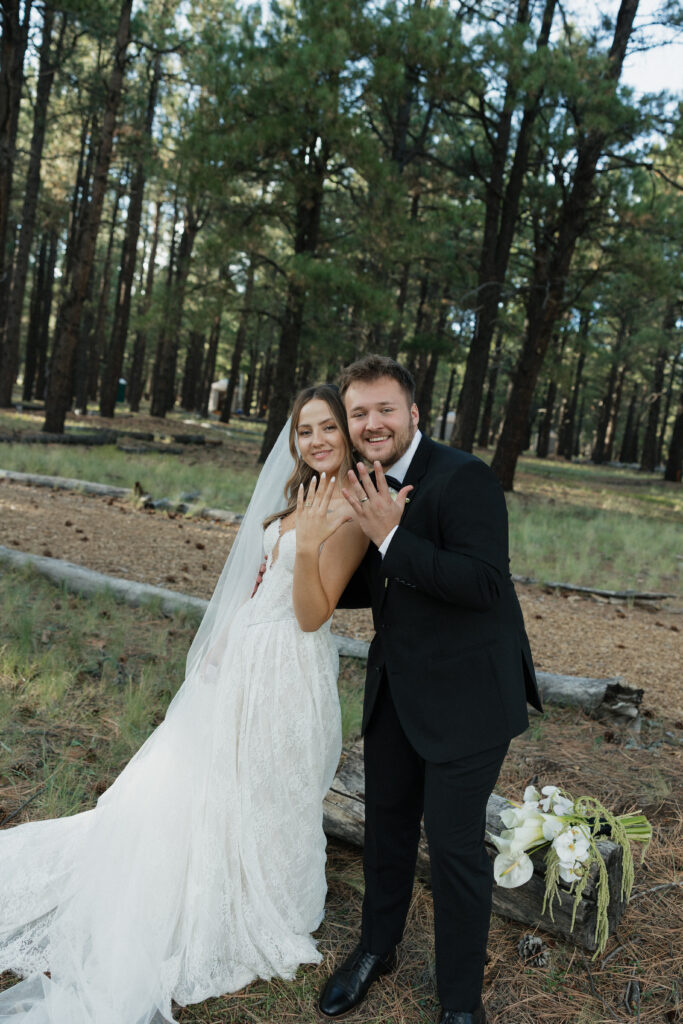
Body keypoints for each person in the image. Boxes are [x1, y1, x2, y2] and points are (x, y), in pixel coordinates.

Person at [0, 384, 367, 1024]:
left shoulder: (351, 510)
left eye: (327, 427)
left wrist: (309, 544)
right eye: (304, 430)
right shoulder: (300, 496)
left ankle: (259, 896)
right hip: (246, 660)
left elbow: (311, 616)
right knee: (203, 781)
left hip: (288, 668)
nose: (316, 441)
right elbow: (259, 589)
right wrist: (215, 663)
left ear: (347, 430)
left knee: (268, 787)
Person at [318, 355, 542, 1024]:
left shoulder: (463, 477)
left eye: (384, 409)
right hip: (395, 688)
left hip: (469, 697)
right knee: (386, 831)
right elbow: (377, 581)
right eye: (358, 413)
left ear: (413, 412)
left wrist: (387, 532)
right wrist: (299, 568)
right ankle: (374, 949)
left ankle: (458, 1003)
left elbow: (481, 584)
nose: (370, 423)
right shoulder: (365, 478)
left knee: (450, 849)